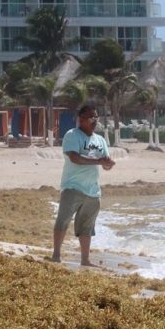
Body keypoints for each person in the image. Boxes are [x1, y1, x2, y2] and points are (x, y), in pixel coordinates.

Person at [51, 105, 115, 267]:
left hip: (93, 191)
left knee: (87, 227)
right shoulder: (72, 135)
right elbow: (75, 158)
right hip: (73, 186)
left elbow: (105, 163)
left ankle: (85, 260)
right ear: (81, 120)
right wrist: (98, 161)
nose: (94, 121)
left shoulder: (100, 140)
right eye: (91, 118)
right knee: (63, 220)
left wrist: (108, 164)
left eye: (96, 118)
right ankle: (56, 255)